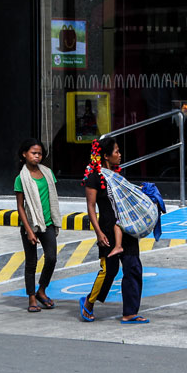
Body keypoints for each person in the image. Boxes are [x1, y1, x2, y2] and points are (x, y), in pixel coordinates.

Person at [79, 137, 148, 324]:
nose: (119, 155)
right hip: (108, 229)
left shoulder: (119, 176)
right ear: (106, 156)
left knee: (133, 267)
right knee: (109, 269)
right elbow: (91, 207)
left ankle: (130, 312)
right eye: (116, 151)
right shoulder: (95, 177)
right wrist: (98, 232)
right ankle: (89, 301)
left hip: (126, 228)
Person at [14, 138, 61, 313]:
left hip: (47, 222)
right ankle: (32, 298)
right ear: (24, 154)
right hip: (30, 224)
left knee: (52, 258)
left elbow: (52, 198)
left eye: (39, 153)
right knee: (31, 263)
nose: (37, 156)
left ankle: (42, 290)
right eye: (34, 153)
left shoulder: (48, 173)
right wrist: (28, 230)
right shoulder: (21, 178)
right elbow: (20, 206)